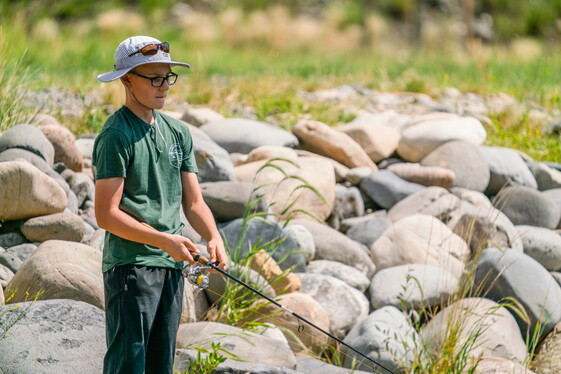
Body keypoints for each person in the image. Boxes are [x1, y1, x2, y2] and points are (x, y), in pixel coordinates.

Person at [93, 35, 228, 374]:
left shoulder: (179, 132)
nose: (164, 86)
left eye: (167, 77)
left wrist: (213, 236)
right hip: (131, 267)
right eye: (154, 78)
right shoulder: (115, 135)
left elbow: (194, 201)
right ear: (127, 80)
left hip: (171, 266)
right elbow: (105, 215)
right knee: (128, 366)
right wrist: (165, 241)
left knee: (160, 366)